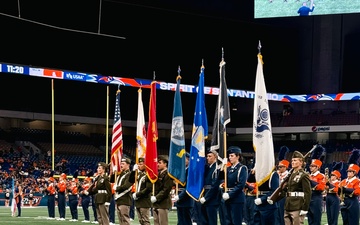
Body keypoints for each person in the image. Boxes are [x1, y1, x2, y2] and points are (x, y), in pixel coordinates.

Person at [270, 151, 311, 225]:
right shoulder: (290, 175)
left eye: (295, 160)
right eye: (292, 160)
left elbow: (308, 193)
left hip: (297, 205)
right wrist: (274, 199)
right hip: (288, 205)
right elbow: (285, 190)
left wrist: (305, 208)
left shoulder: (304, 175)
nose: (292, 162)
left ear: (301, 162)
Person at [221, 146, 248, 225]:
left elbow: (241, 185)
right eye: (229, 156)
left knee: (236, 221)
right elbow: (220, 178)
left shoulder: (242, 168)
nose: (230, 158)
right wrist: (222, 167)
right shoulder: (228, 169)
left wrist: (230, 194)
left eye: (232, 156)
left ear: (238, 156)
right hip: (227, 198)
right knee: (228, 221)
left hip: (237, 198)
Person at [199, 149, 222, 225]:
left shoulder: (217, 168)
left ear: (215, 157)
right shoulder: (207, 167)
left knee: (211, 221)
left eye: (210, 156)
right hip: (204, 194)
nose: (207, 158)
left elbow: (215, 186)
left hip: (211, 198)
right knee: (203, 220)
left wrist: (206, 197)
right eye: (207, 156)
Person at [150, 155, 174, 225]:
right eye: (157, 162)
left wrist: (156, 197)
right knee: (156, 223)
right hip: (156, 203)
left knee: (163, 222)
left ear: (165, 164)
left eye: (160, 163)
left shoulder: (168, 174)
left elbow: (166, 189)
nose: (157, 164)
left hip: (163, 203)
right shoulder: (158, 173)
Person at [173, 152, 194, 225]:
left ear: (188, 159)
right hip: (180, 200)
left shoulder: (191, 171)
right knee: (180, 222)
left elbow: (189, 187)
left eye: (184, 159)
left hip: (187, 199)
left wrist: (179, 196)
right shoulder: (181, 171)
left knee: (187, 221)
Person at [114, 158, 136, 225]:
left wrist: (117, 188)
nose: (121, 165)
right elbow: (112, 180)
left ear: (128, 165)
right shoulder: (120, 174)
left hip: (125, 200)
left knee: (125, 220)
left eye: (123, 164)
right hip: (119, 200)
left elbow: (126, 186)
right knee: (121, 220)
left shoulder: (130, 174)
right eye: (121, 163)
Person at [133, 157, 153, 225]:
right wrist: (133, 171)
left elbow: (148, 189)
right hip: (138, 201)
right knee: (141, 221)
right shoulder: (138, 174)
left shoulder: (148, 175)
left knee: (145, 221)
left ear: (145, 165)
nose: (139, 166)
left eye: (141, 164)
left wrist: (137, 194)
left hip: (144, 200)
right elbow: (130, 180)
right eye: (138, 164)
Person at [308, 159, 326, 225]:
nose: (310, 167)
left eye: (312, 166)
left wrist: (310, 181)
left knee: (316, 218)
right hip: (309, 197)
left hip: (316, 197)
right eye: (310, 166)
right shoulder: (309, 175)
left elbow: (321, 187)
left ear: (317, 167)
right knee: (310, 218)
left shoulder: (321, 176)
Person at [276, 159, 290, 225]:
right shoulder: (277, 174)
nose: (279, 168)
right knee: (276, 215)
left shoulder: (288, 175)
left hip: (284, 196)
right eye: (278, 167)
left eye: (281, 167)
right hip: (276, 196)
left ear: (285, 167)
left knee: (282, 215)